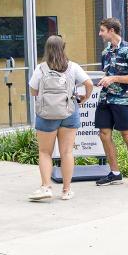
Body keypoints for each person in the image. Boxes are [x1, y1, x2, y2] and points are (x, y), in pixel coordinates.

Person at [28, 35, 93, 201]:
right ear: (62, 48)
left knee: (44, 152)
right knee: (67, 152)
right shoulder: (73, 67)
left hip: (46, 114)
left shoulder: (40, 68)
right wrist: (85, 98)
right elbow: (89, 84)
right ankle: (66, 190)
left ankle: (46, 187)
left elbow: (33, 91)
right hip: (69, 112)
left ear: (47, 49)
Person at [94, 18, 128, 188]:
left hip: (123, 100)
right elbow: (108, 74)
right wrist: (103, 81)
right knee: (104, 134)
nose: (100, 34)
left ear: (111, 31)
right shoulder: (105, 52)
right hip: (106, 98)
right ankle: (115, 173)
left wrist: (114, 78)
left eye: (102, 30)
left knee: (127, 135)